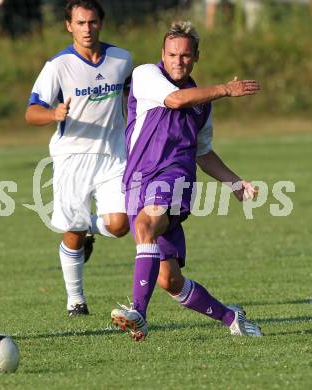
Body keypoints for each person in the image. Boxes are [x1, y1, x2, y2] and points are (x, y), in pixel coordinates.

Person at [111, 21, 263, 341]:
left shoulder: (202, 106)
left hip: (174, 179)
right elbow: (176, 100)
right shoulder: (145, 75)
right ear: (162, 55)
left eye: (185, 55)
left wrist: (235, 183)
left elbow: (203, 153)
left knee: (145, 225)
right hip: (136, 182)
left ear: (196, 57)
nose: (178, 61)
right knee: (170, 280)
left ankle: (138, 312)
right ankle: (231, 317)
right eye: (172, 54)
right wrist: (225, 89)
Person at [25, 0, 132, 316]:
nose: (88, 28)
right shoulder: (57, 66)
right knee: (72, 231)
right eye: (81, 23)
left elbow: (132, 99)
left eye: (93, 22)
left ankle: (89, 230)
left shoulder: (121, 59)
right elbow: (31, 113)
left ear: (102, 22)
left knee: (121, 224)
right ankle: (76, 300)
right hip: (72, 157)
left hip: (114, 155)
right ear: (68, 26)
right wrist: (53, 113)